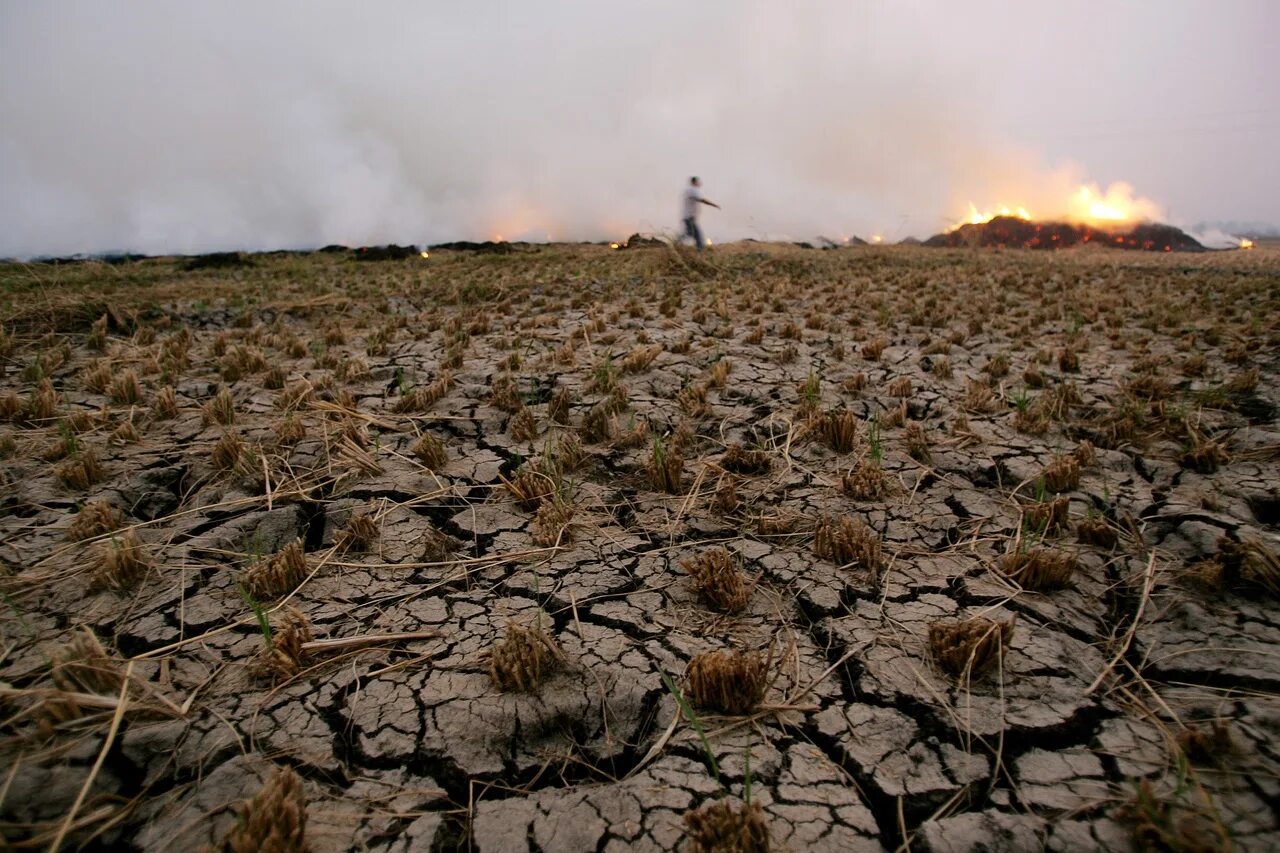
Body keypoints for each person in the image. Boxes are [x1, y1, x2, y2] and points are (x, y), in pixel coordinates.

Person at [681, 176, 720, 251]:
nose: (699, 184)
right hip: (690, 218)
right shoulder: (692, 190)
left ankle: (677, 242)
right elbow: (702, 200)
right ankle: (700, 251)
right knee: (696, 236)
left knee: (690, 234)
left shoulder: (689, 190)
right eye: (697, 182)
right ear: (694, 182)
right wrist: (714, 205)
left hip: (689, 218)